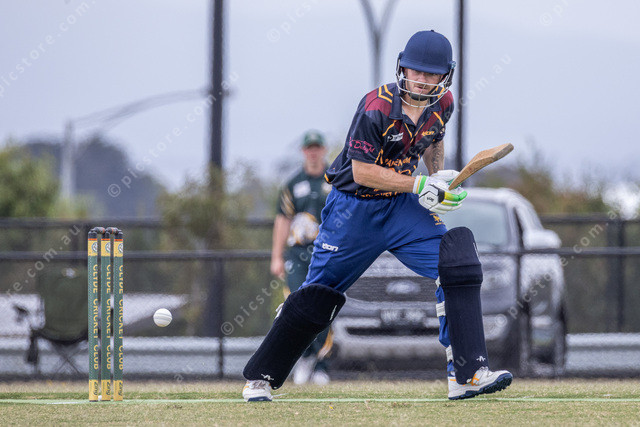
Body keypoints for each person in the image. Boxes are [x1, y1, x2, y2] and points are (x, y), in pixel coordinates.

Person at [242, 30, 513, 402]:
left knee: (458, 261)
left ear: (445, 76)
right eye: (416, 71)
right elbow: (361, 172)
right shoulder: (376, 107)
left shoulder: (444, 104)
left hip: (400, 208)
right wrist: (419, 184)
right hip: (353, 209)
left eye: (431, 73)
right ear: (402, 68)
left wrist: (436, 177)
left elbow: (433, 139)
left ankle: (466, 375)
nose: (422, 79)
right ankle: (260, 377)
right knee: (317, 295)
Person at [270, 130, 333, 385]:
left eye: (317, 147)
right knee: (296, 305)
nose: (313, 152)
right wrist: (276, 256)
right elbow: (282, 220)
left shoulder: (336, 179)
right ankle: (304, 357)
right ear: (303, 151)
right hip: (297, 255)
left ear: (324, 150)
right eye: (309, 148)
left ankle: (321, 365)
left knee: (325, 307)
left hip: (327, 253)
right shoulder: (293, 184)